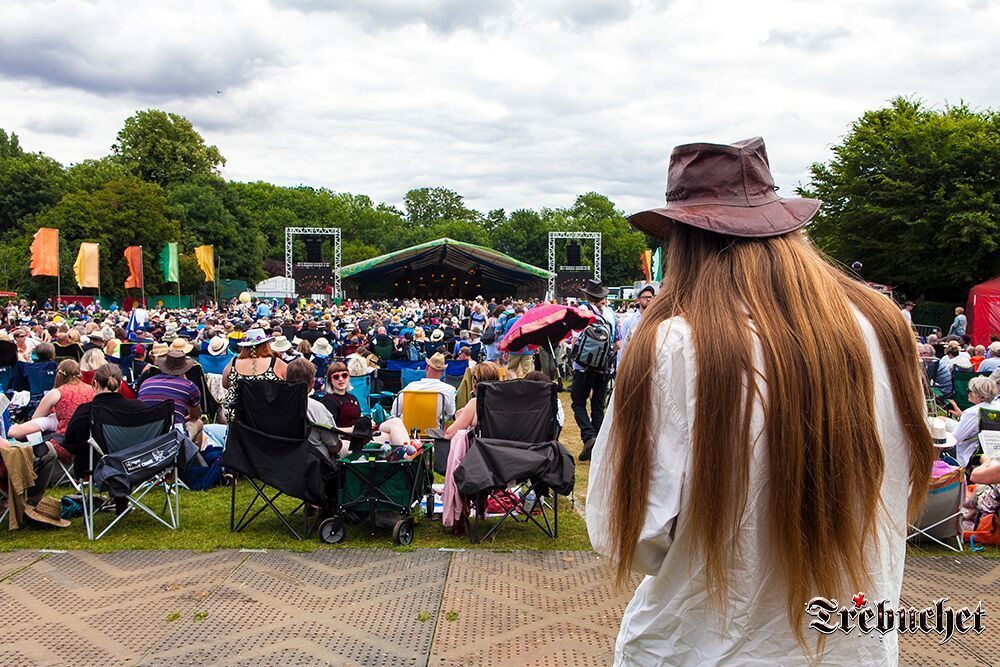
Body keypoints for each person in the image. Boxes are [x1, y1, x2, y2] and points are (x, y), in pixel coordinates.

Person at [586, 137, 933, 665]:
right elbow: (902, 480)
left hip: (703, 645)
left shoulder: (677, 344)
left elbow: (628, 533)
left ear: (683, 238)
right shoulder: (884, 328)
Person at [573, 278, 620, 461]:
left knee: (577, 402)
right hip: (605, 367)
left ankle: (588, 436)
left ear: (586, 295)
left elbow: (576, 340)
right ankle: (599, 445)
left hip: (584, 367)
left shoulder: (582, 313)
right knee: (598, 406)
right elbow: (618, 343)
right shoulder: (611, 314)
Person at [7, 359, 94, 440]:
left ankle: (9, 434)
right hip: (88, 439)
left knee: (42, 422)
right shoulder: (92, 390)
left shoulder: (56, 393)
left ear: (59, 374)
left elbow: (36, 418)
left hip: (65, 439)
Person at [137, 350, 203, 445]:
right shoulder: (189, 386)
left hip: (146, 433)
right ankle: (192, 456)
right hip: (173, 437)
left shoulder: (146, 383)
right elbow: (195, 415)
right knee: (198, 423)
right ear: (185, 369)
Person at [221, 328, 287, 423]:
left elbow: (225, 384)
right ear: (266, 344)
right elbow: (290, 385)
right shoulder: (276, 363)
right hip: (269, 418)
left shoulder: (234, 362)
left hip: (237, 420)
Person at [390, 352, 456, 425]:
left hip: (407, 432)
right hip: (434, 432)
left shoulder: (410, 387)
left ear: (427, 368)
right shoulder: (449, 390)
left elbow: (394, 412)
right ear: (443, 371)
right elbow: (450, 413)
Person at [444, 361, 502, 438]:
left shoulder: (475, 403)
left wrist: (458, 419)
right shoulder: (507, 401)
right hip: (506, 447)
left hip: (481, 447)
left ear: (474, 381)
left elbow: (449, 434)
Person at [951, 376, 999, 468]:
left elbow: (955, 438)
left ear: (979, 395)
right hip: (993, 452)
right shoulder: (997, 407)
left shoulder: (972, 412)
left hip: (971, 456)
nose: (968, 393)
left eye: (969, 390)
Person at [617, 282, 655, 362]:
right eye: (645, 297)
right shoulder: (629, 321)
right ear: (638, 300)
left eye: (650, 297)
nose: (648, 299)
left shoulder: (656, 320)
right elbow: (622, 346)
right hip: (633, 362)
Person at [318, 362, 362, 429]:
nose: (341, 379)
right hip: (340, 438)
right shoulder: (327, 401)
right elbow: (329, 429)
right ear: (330, 381)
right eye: (336, 377)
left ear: (349, 377)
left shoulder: (353, 398)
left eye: (344, 375)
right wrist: (352, 430)